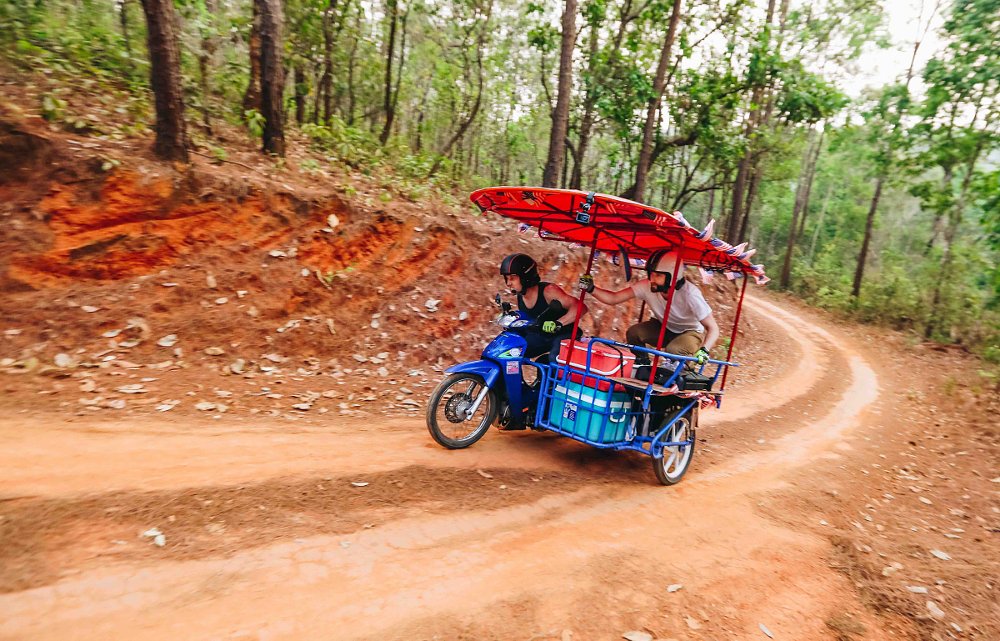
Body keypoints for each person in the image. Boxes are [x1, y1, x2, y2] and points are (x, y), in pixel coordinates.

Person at [578, 249, 718, 366]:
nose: (652, 279)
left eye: (657, 275)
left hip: (690, 332)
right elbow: (614, 298)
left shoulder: (690, 294)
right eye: (651, 274)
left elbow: (713, 328)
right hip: (664, 326)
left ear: (672, 277)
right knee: (634, 333)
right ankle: (643, 366)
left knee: (673, 350)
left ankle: (684, 373)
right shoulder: (647, 286)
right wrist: (591, 288)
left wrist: (704, 350)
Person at [500, 253, 586, 360]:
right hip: (544, 336)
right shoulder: (521, 297)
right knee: (512, 351)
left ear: (525, 276)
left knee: (554, 357)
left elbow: (580, 307)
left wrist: (558, 323)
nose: (508, 283)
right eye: (507, 279)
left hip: (565, 334)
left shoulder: (548, 291)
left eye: (512, 278)